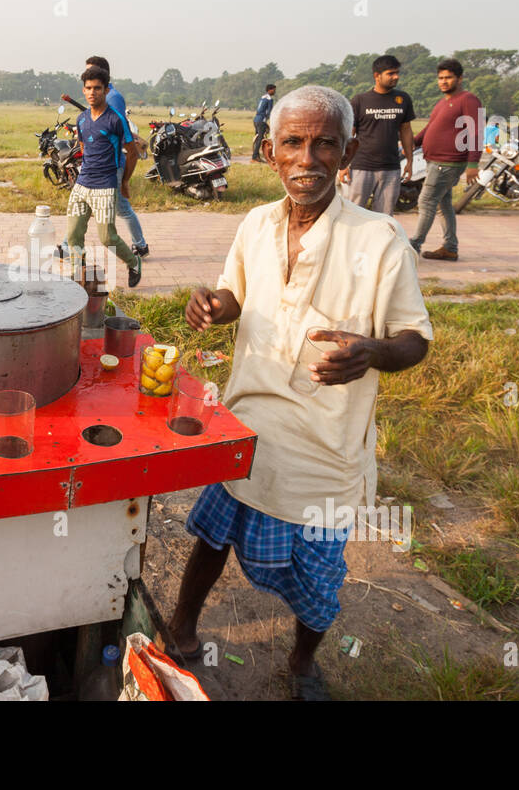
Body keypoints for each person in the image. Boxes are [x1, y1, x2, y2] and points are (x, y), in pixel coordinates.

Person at [168, 84, 431, 700]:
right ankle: (182, 625)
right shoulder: (256, 224)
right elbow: (236, 296)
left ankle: (304, 662)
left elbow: (414, 339)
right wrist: (212, 305)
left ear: (348, 153)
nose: (307, 159)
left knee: (318, 579)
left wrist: (374, 353)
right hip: (247, 425)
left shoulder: (380, 239)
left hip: (324, 446)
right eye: (293, 143)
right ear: (269, 151)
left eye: (324, 145)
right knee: (211, 536)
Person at [64, 65, 143, 287]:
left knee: (107, 238)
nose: (92, 92)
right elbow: (83, 147)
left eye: (97, 88)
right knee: (73, 235)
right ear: (83, 90)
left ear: (106, 90)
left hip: (105, 187)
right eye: (88, 88)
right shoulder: (81, 119)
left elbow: (133, 153)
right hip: (82, 185)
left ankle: (134, 261)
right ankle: (77, 275)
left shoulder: (116, 120)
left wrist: (125, 181)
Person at [408, 59, 481, 261]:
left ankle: (413, 245)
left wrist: (474, 164)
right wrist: (413, 142)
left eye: (448, 77)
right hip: (435, 161)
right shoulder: (443, 102)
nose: (443, 82)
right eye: (440, 78)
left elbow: (476, 131)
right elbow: (431, 127)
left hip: (448, 162)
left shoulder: (468, 100)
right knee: (443, 203)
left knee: (426, 201)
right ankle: (450, 247)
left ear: (460, 78)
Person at [85, 55, 149, 257]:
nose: (87, 76)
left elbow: (118, 128)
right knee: (90, 203)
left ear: (104, 75)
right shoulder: (101, 96)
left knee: (109, 206)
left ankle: (140, 246)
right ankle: (140, 245)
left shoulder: (113, 97)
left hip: (112, 162)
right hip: (101, 161)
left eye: (92, 71)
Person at [341, 56, 415, 215]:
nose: (396, 77)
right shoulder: (360, 100)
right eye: (391, 73)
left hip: (391, 168)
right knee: (354, 213)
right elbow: (349, 134)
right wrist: (344, 164)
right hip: (361, 167)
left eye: (397, 73)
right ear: (377, 76)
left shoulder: (403, 99)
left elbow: (406, 130)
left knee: (385, 217)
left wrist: (409, 160)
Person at [253, 83, 277, 161]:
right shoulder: (269, 99)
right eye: (274, 90)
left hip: (256, 119)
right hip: (262, 120)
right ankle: (254, 157)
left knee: (258, 138)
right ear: (270, 90)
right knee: (260, 138)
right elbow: (269, 112)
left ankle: (257, 156)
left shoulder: (262, 97)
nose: (274, 91)